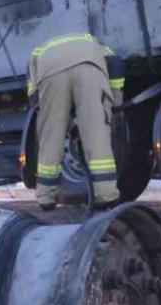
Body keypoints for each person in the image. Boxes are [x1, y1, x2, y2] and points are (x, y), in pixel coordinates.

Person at [28, 33, 126, 211]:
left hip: (50, 71)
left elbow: (35, 98)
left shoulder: (39, 51)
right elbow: (116, 64)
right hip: (89, 68)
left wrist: (59, 122)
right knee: (97, 135)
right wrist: (116, 106)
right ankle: (106, 195)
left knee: (51, 137)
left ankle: (46, 198)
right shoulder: (94, 44)